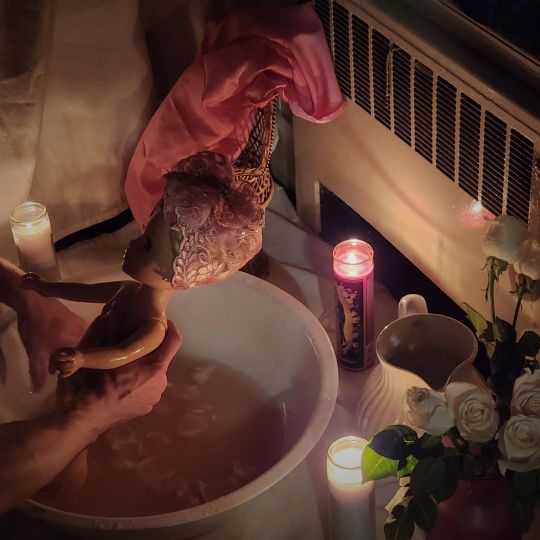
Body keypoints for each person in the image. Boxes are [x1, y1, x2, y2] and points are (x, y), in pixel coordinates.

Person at [0, 260, 182, 514]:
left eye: (148, 244)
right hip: (77, 373)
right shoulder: (127, 290)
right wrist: (45, 290)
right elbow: (83, 291)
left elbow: (123, 352)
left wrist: (83, 359)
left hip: (93, 373)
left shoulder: (153, 323)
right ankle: (61, 490)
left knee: (75, 451)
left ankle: (67, 496)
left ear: (177, 274)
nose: (133, 243)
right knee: (65, 414)